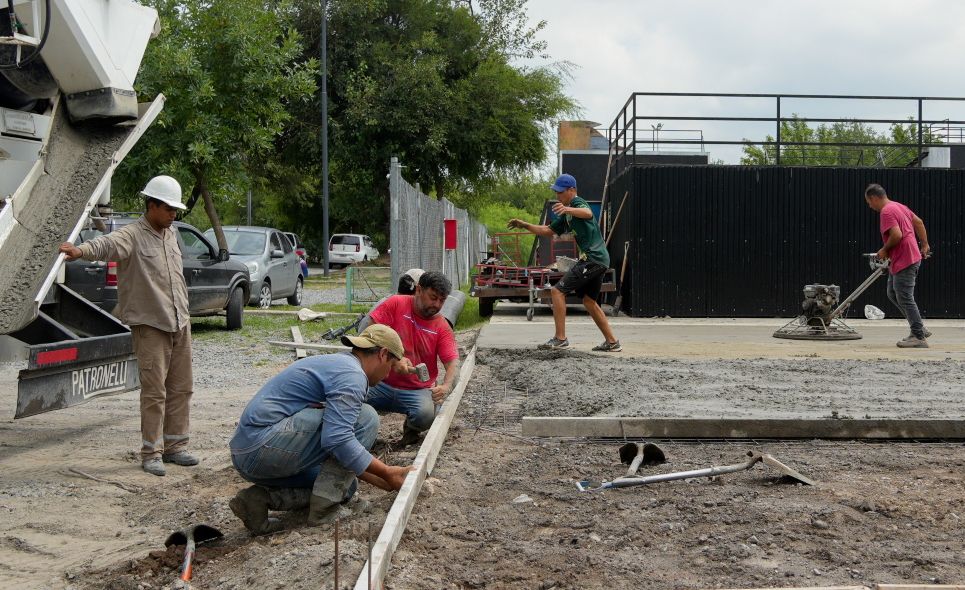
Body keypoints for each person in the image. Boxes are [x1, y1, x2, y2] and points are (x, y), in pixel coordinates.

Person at [59, 176, 197, 477]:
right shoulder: (132, 235)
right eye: (169, 208)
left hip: (179, 322)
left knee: (181, 388)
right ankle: (152, 452)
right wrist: (80, 251)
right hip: (151, 325)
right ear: (152, 205)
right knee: (154, 392)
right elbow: (106, 245)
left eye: (176, 208)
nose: (174, 214)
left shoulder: (171, 234)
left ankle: (176, 447)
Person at [229, 325, 414, 534]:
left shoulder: (338, 365)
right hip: (263, 444)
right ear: (382, 354)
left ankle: (257, 501)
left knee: (344, 488)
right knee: (366, 418)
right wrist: (388, 471)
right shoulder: (352, 375)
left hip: (249, 454)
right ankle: (324, 512)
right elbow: (338, 439)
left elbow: (341, 457)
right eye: (390, 366)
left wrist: (382, 480)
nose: (388, 374)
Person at [507, 173, 621, 352]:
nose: (557, 196)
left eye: (560, 192)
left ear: (572, 190)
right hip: (599, 259)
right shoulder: (567, 214)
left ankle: (560, 338)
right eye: (556, 192)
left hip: (593, 258)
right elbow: (547, 230)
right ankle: (612, 342)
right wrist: (524, 225)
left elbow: (588, 212)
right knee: (589, 301)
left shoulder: (577, 203)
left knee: (557, 291)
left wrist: (567, 209)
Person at [365, 271, 459, 446]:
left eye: (442, 300)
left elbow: (453, 361)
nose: (437, 304)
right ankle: (361, 428)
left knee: (428, 414)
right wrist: (393, 361)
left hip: (416, 390)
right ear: (418, 290)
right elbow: (369, 334)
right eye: (433, 297)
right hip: (379, 384)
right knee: (351, 395)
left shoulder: (442, 327)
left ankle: (411, 429)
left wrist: (446, 386)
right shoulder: (395, 304)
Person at [864, 183, 931, 348]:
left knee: (905, 297)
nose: (870, 206)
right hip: (906, 256)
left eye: (869, 202)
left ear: (873, 198)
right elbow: (919, 222)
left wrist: (884, 250)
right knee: (893, 293)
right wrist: (924, 244)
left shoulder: (886, 211)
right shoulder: (899, 206)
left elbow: (897, 235)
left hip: (905, 258)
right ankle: (919, 326)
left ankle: (918, 336)